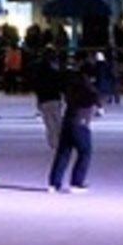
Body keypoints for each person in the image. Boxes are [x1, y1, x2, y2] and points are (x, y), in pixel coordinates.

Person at [48, 64, 101, 193]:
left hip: (68, 121)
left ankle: (54, 183)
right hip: (80, 123)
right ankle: (76, 182)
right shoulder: (86, 85)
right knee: (85, 152)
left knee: (63, 152)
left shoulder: (70, 83)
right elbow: (92, 96)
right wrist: (98, 105)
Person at [29, 48, 65, 149]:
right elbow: (60, 82)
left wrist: (39, 98)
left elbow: (36, 84)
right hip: (54, 97)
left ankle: (53, 142)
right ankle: (60, 141)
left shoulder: (39, 70)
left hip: (44, 98)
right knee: (57, 121)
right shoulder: (55, 69)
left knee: (49, 123)